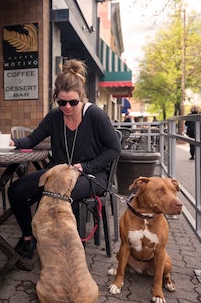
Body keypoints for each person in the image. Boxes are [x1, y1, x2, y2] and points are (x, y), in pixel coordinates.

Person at [7, 59, 121, 259]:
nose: (67, 107)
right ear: (56, 99)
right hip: (58, 172)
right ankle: (28, 237)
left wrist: (84, 166)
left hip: (91, 176)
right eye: (61, 102)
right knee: (16, 190)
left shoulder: (95, 115)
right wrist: (13, 143)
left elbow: (114, 149)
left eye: (73, 102)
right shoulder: (54, 116)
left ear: (82, 98)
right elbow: (32, 139)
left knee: (57, 193)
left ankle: (61, 248)